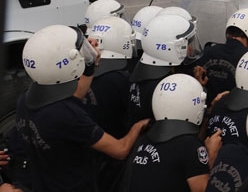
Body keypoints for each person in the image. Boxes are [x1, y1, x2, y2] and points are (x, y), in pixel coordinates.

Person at [14, 25, 150, 192]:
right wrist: (137, 127)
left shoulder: (25, 101)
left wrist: (90, 64)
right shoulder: (67, 116)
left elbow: (75, 94)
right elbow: (120, 150)